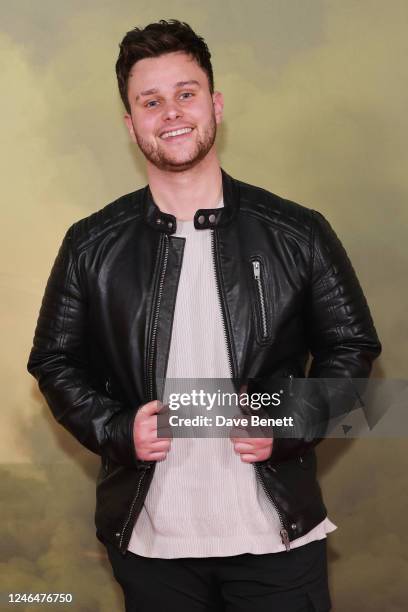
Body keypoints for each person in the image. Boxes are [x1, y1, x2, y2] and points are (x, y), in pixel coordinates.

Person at [27, 19, 382, 612]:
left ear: (214, 103)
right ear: (131, 122)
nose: (171, 112)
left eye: (185, 93)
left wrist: (286, 422)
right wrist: (115, 428)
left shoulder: (299, 232)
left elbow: (354, 349)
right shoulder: (90, 244)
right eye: (151, 101)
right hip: (150, 544)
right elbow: (54, 360)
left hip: (278, 538)